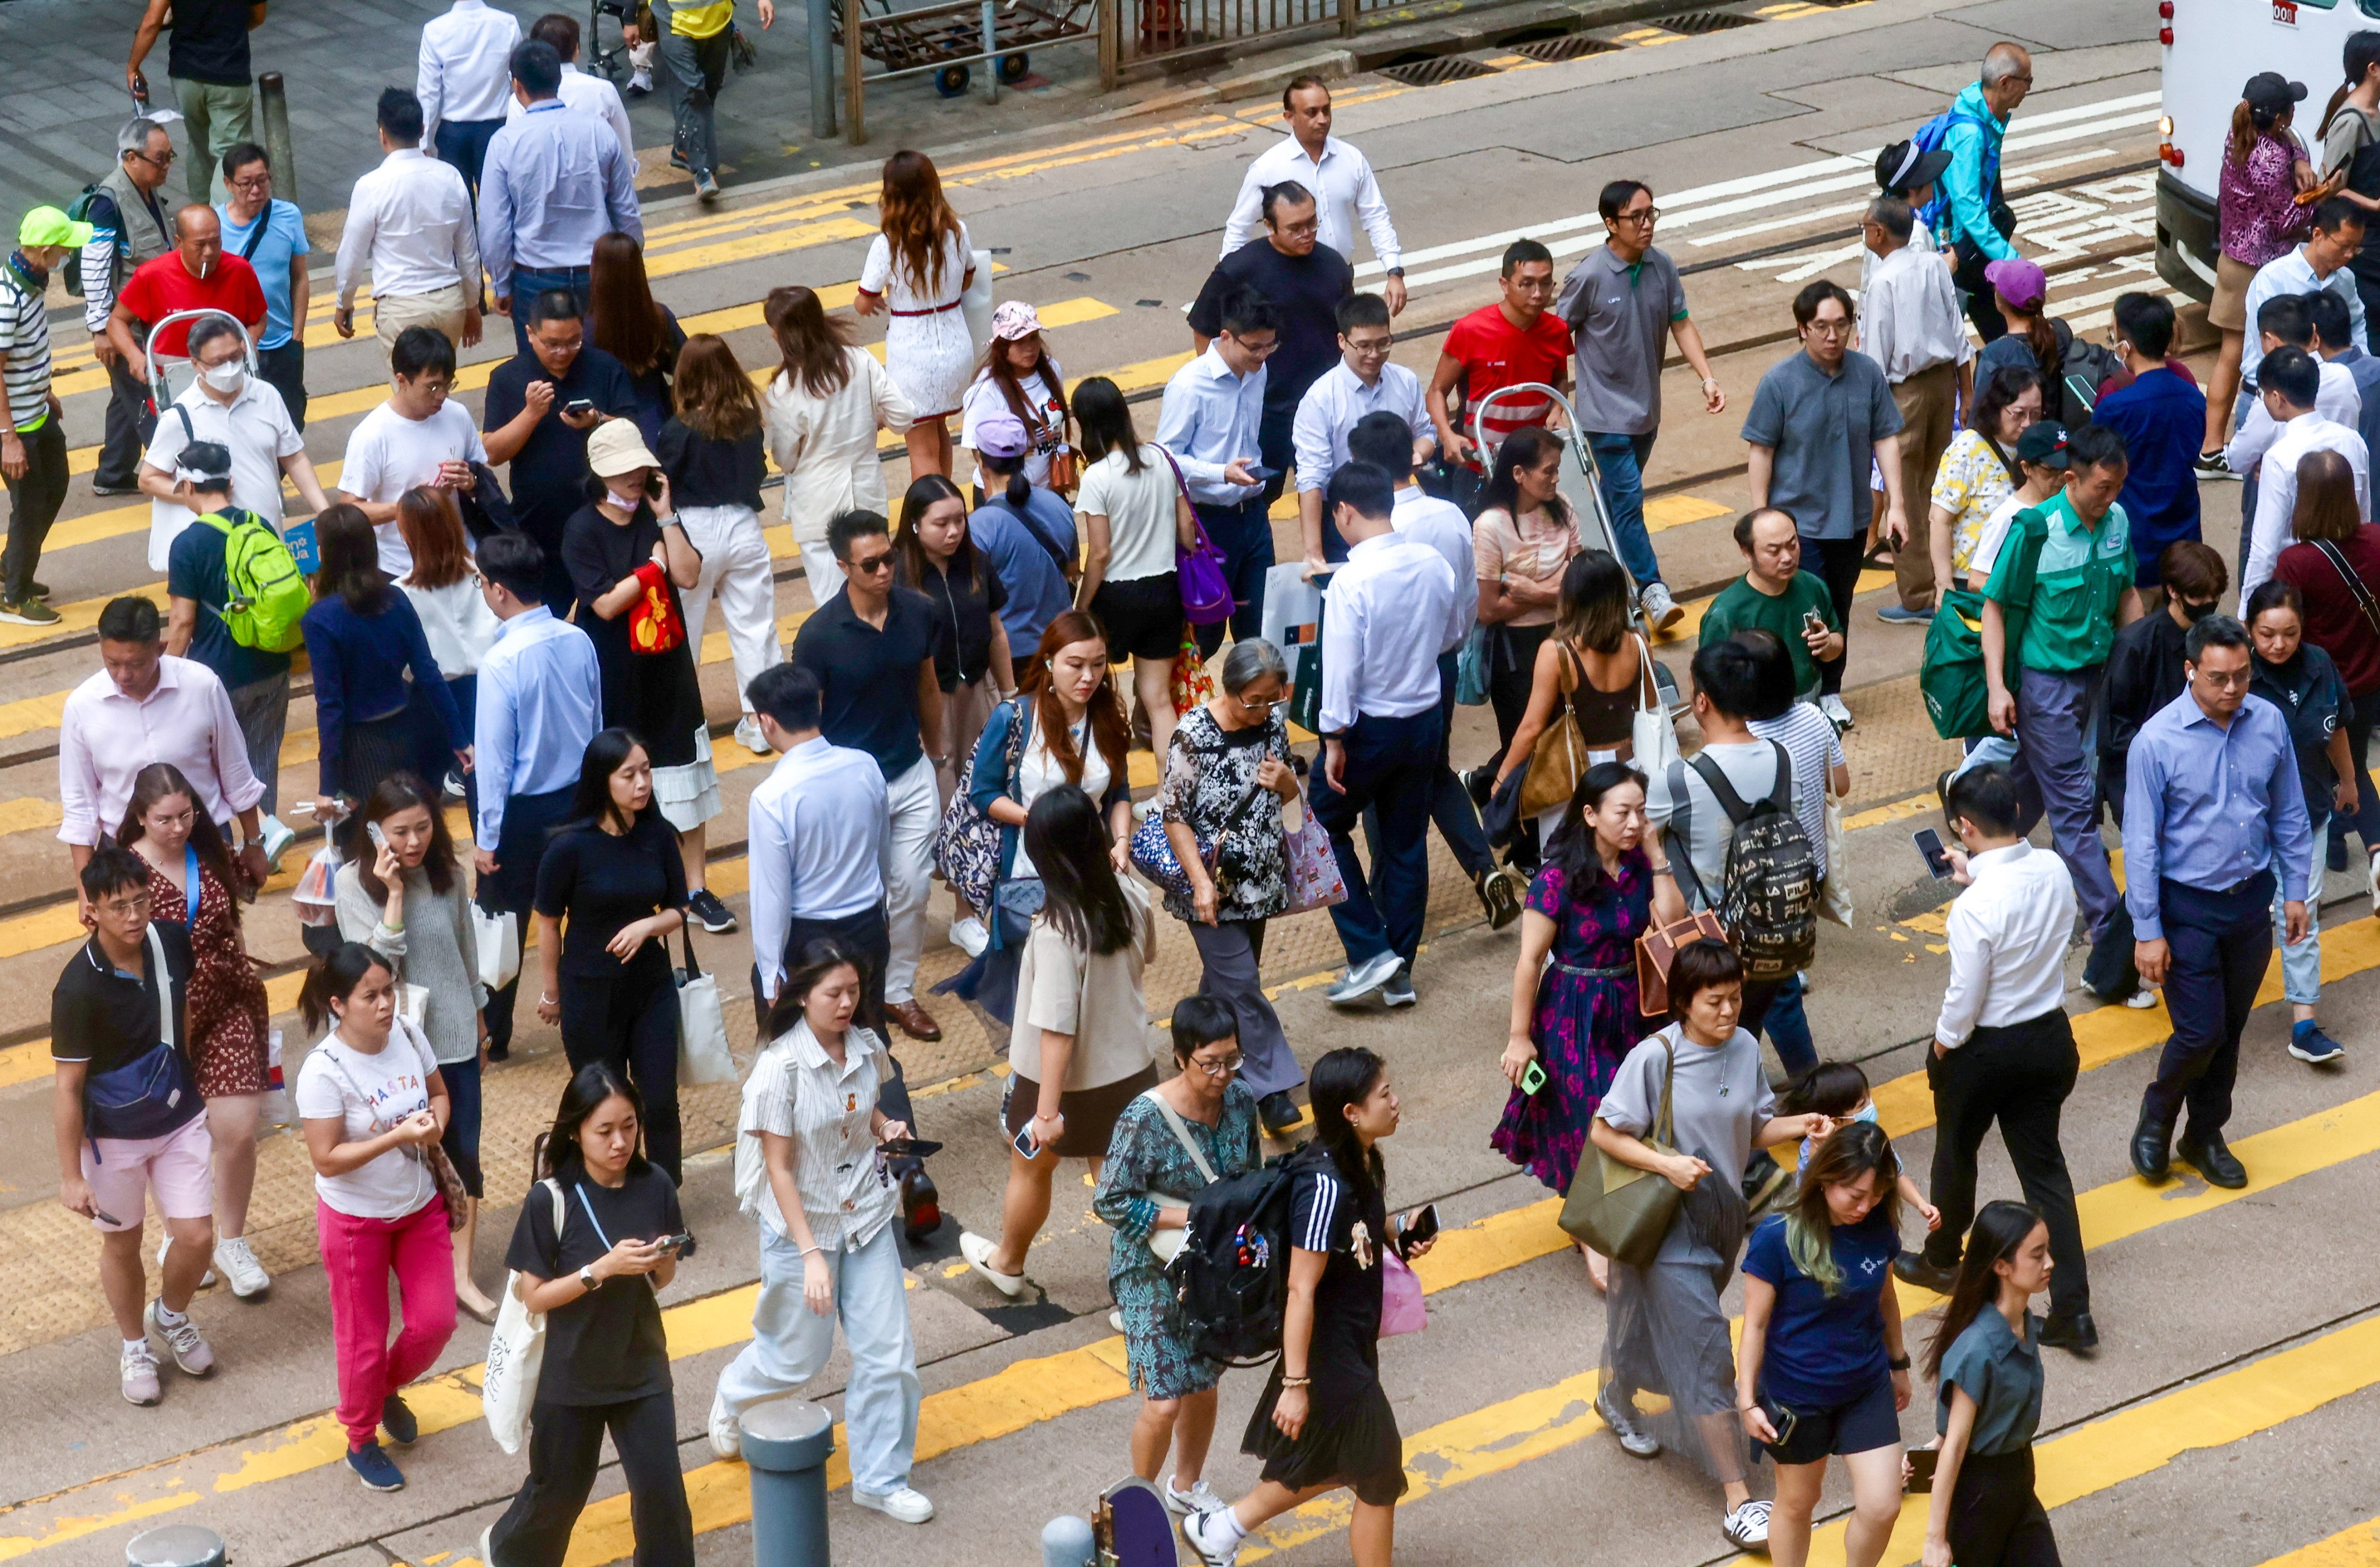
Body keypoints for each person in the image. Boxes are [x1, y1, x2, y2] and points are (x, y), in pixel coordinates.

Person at [1587, 937, 1831, 1552]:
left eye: (1735, 999)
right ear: (1684, 1004)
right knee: (1705, 1353)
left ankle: (1616, 1394)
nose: (1729, 1012)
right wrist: (1665, 1166)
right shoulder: (1655, 1058)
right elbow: (1604, 1132)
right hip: (1666, 1225)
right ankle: (1737, 1500)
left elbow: (1751, 1130)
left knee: (1666, 1327)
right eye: (1715, 1002)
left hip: (1722, 1218)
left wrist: (1801, 1124)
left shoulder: (1745, 1047)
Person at [1178, 1047, 1433, 1567]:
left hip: (1354, 1341)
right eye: (1384, 1094)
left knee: (1338, 1459)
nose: (1396, 1100)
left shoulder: (1362, 1157)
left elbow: (1364, 1223)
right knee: (1380, 1470)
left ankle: (1219, 1531)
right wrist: (1296, 1385)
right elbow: (1300, 1289)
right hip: (1327, 1353)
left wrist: (1399, 1233)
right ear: (1351, 1112)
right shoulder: (1321, 1187)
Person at [708, 941, 929, 1522]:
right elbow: (779, 1170)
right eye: (834, 993)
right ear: (802, 995)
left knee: (890, 1357)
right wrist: (810, 1256)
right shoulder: (778, 1071)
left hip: (869, 1218)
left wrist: (887, 1126)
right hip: (801, 1231)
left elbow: (865, 1112)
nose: (847, 1004)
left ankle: (880, 1479)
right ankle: (733, 1397)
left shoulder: (865, 1045)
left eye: (854, 991)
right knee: (794, 1361)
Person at [1890, 765, 2095, 1353]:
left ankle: (1941, 1258)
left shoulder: (1974, 910)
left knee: (1955, 1152)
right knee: (2045, 1172)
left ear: (1963, 826)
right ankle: (2073, 1310)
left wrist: (1941, 1044)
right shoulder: (2053, 868)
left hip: (1984, 1050)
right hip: (2049, 1040)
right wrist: (1972, 873)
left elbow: (1966, 997)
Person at [742, 664, 936, 1239]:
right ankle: (909, 1166)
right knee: (872, 1047)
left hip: (808, 940)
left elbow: (770, 895)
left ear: (766, 722)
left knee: (802, 1060)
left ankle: (823, 1176)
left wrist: (772, 971)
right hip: (865, 928)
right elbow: (880, 852)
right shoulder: (864, 767)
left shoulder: (772, 795)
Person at [2127, 613, 2311, 1191]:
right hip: (2187, 910)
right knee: (2200, 1030)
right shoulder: (2157, 742)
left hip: (2250, 905)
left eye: (2241, 675)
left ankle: (2204, 1134)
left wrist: (2297, 891)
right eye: (2217, 678)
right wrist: (2147, 930)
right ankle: (2157, 1119)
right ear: (2190, 672)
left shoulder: (2269, 723)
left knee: (2229, 1031)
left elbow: (2288, 812)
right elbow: (2140, 844)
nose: (2232, 689)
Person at [485, 1065, 693, 1562]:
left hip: (640, 1366)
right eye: (604, 1130)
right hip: (570, 1377)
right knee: (558, 1494)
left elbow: (661, 1282)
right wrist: (601, 1269)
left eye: (629, 1126)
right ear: (576, 1132)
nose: (620, 1141)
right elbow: (533, 1296)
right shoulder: (550, 1199)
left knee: (663, 1496)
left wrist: (662, 1261)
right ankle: (506, 1551)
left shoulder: (655, 1183)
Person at [959, 785, 1161, 1297]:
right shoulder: (1129, 895)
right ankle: (1144, 1289)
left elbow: (1056, 1028)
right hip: (1130, 1067)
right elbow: (1150, 955)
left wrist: (1046, 1112)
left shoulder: (1055, 930)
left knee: (1031, 1166)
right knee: (1121, 1187)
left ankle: (1008, 1261)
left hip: (1061, 1082)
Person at [1491, 761, 1677, 1290]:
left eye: (1641, 812)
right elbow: (1529, 961)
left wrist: (1658, 853)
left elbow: (1671, 920)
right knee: (1588, 1117)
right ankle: (1592, 1229)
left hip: (1634, 1003)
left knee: (1634, 1112)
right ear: (1591, 814)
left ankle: (1616, 1208)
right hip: (1574, 1009)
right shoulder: (1556, 878)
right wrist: (1519, 1035)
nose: (1634, 822)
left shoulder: (1640, 863)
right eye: (1623, 812)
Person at [52, 845, 213, 1407]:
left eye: (140, 900)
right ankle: (134, 1344)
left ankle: (170, 1315)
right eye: (118, 905)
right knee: (124, 1245)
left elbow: (182, 1007)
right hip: (112, 1135)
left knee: (197, 1236)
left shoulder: (171, 940)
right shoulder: (77, 989)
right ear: (91, 908)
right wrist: (72, 1175)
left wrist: (188, 1075)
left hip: (179, 1117)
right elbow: (68, 1088)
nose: (133, 915)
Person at [294, 941, 457, 1492]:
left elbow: (439, 1093)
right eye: (371, 996)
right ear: (339, 1004)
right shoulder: (324, 1071)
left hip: (417, 1207)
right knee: (363, 1339)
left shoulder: (410, 1034)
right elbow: (326, 1158)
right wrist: (396, 1136)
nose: (386, 1004)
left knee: (436, 1322)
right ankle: (361, 1437)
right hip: (354, 1221)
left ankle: (378, 1388)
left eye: (389, 990)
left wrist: (434, 1122)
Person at [1092, 994, 1264, 1516]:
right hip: (1148, 1265)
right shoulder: (1143, 1118)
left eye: (1231, 1059)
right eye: (1209, 1062)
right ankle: (1135, 1506)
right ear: (1180, 1056)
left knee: (1204, 1382)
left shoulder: (1241, 1102)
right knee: (1164, 1399)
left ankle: (1185, 1484)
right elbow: (1110, 1199)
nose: (1222, 1073)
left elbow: (1251, 1179)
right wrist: (1188, 1217)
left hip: (1209, 1265)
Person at [332, 773, 495, 1321]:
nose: (413, 842)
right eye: (400, 831)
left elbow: (467, 954)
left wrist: (480, 1022)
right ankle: (414, 1264)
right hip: (394, 1040)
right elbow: (374, 969)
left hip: (453, 1034)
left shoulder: (449, 873)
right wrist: (396, 895)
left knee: (463, 1150)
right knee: (404, 1152)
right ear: (375, 830)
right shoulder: (353, 884)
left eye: (423, 827)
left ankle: (460, 1276)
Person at [565, 418, 731, 935]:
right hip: (617, 672)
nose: (635, 476)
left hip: (668, 667)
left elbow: (687, 573)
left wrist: (666, 517)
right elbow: (607, 604)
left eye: (640, 466)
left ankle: (696, 887)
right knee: (627, 780)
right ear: (598, 474)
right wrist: (648, 571)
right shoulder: (582, 530)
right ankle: (639, 887)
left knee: (686, 773)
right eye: (623, 471)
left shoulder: (657, 521)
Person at [1980, 420, 2139, 953]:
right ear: (2071, 478)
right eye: (2102, 488)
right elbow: (1995, 609)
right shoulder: (2033, 529)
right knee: (2074, 808)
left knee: (2030, 787)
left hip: (2100, 679)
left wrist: (2137, 661)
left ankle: (1978, 856)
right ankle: (2110, 933)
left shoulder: (2116, 521)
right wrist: (1998, 687)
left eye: (2118, 487)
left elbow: (2126, 594)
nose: (2111, 498)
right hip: (2046, 686)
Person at [790, 510, 946, 1041]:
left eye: (890, 558)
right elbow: (809, 718)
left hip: (911, 769)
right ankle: (854, 996)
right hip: (852, 790)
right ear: (843, 566)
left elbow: (927, 684)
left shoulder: (918, 612)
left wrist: (939, 753)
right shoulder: (817, 636)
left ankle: (897, 992)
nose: (884, 570)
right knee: (858, 900)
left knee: (911, 887)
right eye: (871, 564)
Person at [1314, 463, 1464, 1006]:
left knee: (1318, 827)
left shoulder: (1351, 581)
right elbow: (1453, 633)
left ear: (1344, 512)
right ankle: (1398, 967)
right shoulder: (1433, 563)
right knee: (1405, 844)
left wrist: (1332, 739)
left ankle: (1371, 952)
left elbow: (1341, 672)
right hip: (1423, 719)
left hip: (1367, 730)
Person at [1353, 411, 1509, 919]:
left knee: (1386, 788)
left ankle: (1387, 898)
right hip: (1440, 664)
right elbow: (1466, 604)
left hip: (1387, 678)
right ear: (1412, 455)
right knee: (1434, 769)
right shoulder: (1449, 514)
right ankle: (1485, 868)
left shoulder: (1373, 528)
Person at [944, 610, 1135, 1024]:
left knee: (1086, 980)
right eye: (1076, 664)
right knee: (1034, 990)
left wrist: (1120, 841)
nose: (1088, 676)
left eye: (1098, 664)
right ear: (1049, 661)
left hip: (1093, 873)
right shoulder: (1014, 717)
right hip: (1028, 872)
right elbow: (983, 791)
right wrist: (1038, 819)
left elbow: (1119, 791)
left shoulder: (1107, 717)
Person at [1737, 1123, 1914, 1567]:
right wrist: (1746, 1401)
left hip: (1865, 1384)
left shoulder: (1877, 1224)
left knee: (1882, 1505)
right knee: (1798, 1502)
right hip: (1798, 1396)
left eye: (1875, 1195)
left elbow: (1886, 1298)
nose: (1865, 1205)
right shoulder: (1776, 1236)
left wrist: (1899, 1364)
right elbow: (1754, 1325)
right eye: (1855, 1194)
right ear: (1824, 1177)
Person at [1555, 179, 1726, 631]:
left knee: (1612, 506)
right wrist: (1560, 397)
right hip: (1603, 417)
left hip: (1645, 413)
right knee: (1628, 503)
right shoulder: (1589, 276)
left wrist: (1706, 377)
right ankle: (1652, 590)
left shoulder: (1661, 266)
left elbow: (1681, 324)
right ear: (1611, 224)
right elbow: (1555, 337)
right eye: (1636, 217)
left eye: (1651, 214)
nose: (1647, 224)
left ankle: (1600, 583)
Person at [1744, 279, 1907, 732]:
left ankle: (1829, 689)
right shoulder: (1779, 382)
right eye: (1820, 326)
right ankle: (1800, 695)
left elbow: (1885, 437)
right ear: (1802, 329)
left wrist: (1894, 504)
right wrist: (1762, 517)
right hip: (1799, 524)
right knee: (1804, 610)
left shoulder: (1867, 373)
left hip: (1852, 519)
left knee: (1838, 606)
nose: (1832, 335)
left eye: (1841, 324)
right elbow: (1761, 450)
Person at [1643, 637, 1816, 1062]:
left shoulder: (1679, 778)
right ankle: (1818, 1099)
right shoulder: (1782, 757)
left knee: (1717, 1047)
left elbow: (1643, 830)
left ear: (1701, 700)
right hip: (1777, 926)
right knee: (1765, 1013)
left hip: (1714, 941)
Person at [1162, 639, 1308, 1134]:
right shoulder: (1192, 734)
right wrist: (1200, 883)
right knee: (1243, 985)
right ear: (1230, 689)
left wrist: (1287, 781)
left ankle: (1189, 1047)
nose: (1264, 709)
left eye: (1273, 699)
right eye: (1254, 700)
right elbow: (1173, 816)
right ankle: (1270, 1090)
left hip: (1260, 883)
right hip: (1211, 890)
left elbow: (1288, 796)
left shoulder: (1269, 724)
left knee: (1226, 985)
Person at [534, 728, 690, 1184]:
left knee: (659, 1100)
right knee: (604, 1108)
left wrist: (649, 925)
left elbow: (681, 907)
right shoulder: (568, 847)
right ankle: (599, 1195)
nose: (643, 783)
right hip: (589, 994)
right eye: (630, 775)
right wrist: (551, 992)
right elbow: (547, 922)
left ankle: (663, 1205)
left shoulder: (658, 834)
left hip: (651, 988)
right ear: (604, 780)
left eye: (646, 771)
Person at [473, 530, 603, 1060]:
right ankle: (587, 1014)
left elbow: (496, 762)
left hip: (523, 815)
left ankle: (495, 1036)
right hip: (581, 799)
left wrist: (487, 838)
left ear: (499, 590)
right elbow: (597, 723)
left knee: (500, 926)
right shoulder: (578, 639)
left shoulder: (501, 662)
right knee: (580, 915)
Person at [59, 596, 269, 901]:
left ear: (159, 647)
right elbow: (79, 804)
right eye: (113, 664)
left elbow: (235, 771)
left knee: (214, 939)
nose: (123, 676)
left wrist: (253, 843)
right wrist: (85, 889)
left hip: (202, 843)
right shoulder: (82, 707)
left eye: (136, 664)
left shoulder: (202, 686)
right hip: (124, 855)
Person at [156, 440, 301, 863]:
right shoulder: (259, 525)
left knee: (209, 767)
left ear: (186, 487)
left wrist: (169, 674)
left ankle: (217, 849)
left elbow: (182, 621)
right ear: (230, 481)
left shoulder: (188, 544)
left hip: (216, 678)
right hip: (271, 664)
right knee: (260, 758)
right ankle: (265, 839)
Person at [302, 504, 471, 830]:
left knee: (370, 845)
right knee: (413, 832)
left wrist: (327, 785)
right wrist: (459, 739)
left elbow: (331, 705)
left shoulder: (320, 619)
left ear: (323, 553)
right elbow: (429, 674)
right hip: (408, 733)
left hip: (359, 748)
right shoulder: (395, 599)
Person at [1190, 180, 1356, 507]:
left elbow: (1348, 328)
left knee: (1332, 496)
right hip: (1265, 412)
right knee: (1258, 494)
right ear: (1269, 226)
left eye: (1312, 223)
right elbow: (1203, 328)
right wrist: (1222, 388)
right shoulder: (1240, 269)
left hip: (1324, 407)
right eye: (1295, 228)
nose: (1307, 233)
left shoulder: (1333, 265)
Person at [2245, 579, 2356, 1065]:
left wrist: (2349, 780)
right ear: (2249, 630)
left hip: (2306, 815)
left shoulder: (2319, 666)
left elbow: (2335, 728)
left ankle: (2304, 1022)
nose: (2278, 644)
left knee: (2299, 914)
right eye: (2267, 633)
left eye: (2289, 633)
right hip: (2243, 823)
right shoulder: (2235, 674)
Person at [1918, 1202, 2063, 1567]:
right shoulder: (1978, 1349)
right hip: (1980, 1497)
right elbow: (1956, 1444)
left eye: (2047, 1250)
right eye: (2036, 1255)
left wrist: (1923, 1457)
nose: (2050, 1263)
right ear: (2001, 1266)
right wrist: (1934, 1539)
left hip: (2018, 1481)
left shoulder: (2024, 1321)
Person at [659, 332, 780, 758]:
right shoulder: (746, 421)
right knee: (755, 626)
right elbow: (759, 471)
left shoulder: (678, 430)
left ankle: (685, 721)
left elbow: (664, 480)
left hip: (693, 530)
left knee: (685, 628)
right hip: (744, 525)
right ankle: (761, 721)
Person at [483, 288, 642, 609]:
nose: (563, 352)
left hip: (604, 520)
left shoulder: (604, 367)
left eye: (573, 341)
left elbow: (633, 431)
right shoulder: (507, 378)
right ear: (530, 334)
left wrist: (597, 419)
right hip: (540, 524)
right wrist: (530, 414)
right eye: (552, 344)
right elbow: (492, 452)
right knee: (546, 614)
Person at [481, 38, 642, 350]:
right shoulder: (599, 130)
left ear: (517, 85)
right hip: (600, 273)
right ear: (558, 78)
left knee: (543, 375)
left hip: (535, 279)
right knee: (606, 367)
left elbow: (494, 226)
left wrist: (501, 284)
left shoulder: (504, 142)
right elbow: (627, 210)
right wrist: (631, 268)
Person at [1491, 550, 1648, 866]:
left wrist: (1503, 777)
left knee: (1571, 868)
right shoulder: (1638, 643)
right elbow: (1650, 710)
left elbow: (1532, 727)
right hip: (1628, 766)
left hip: (1574, 776)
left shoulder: (1557, 652)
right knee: (1625, 861)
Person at [1859, 193, 1974, 621]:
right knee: (1934, 485)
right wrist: (1967, 393)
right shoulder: (1932, 264)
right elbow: (1958, 332)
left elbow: (1873, 360)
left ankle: (1919, 596)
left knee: (1902, 494)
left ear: (1879, 232)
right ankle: (1943, 579)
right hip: (1944, 384)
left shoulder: (1881, 283)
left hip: (1902, 395)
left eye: (1865, 226)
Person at [139, 313, 326, 572]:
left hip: (269, 540)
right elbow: (148, 479)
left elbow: (294, 457)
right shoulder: (181, 417)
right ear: (196, 365)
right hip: (219, 552)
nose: (229, 367)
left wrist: (324, 511)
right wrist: (200, 496)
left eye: (235, 357)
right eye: (218, 362)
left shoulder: (266, 395)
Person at [764, 284, 915, 602]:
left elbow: (785, 459)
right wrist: (874, 421)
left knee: (832, 605)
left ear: (782, 335)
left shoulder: (783, 389)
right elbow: (903, 416)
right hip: (867, 498)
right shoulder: (860, 361)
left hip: (818, 508)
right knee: (879, 596)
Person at [2274, 444, 2380, 897]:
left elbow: (2287, 628)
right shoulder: (2376, 539)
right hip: (2371, 679)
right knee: (2351, 766)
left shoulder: (2296, 562)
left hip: (2321, 688)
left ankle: (2336, 850)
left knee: (2327, 773)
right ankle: (2366, 852)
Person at [1073, 374, 1192, 761]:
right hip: (1164, 590)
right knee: (1158, 701)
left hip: (1116, 596)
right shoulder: (1159, 458)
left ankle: (1107, 790)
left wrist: (1080, 606)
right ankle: (1166, 797)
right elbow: (1186, 528)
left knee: (1093, 693)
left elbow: (1100, 553)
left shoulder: (1097, 476)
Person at [2206, 73, 2318, 474]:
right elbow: (2287, 219)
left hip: (2232, 259)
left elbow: (2285, 142)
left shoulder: (2239, 135)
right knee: (2242, 360)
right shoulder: (2268, 158)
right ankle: (2224, 449)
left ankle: (2209, 448)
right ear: (2281, 118)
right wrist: (2318, 194)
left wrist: (2300, 157)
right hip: (2256, 268)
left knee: (2228, 355)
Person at [1157, 289, 1277, 655]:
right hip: (1208, 527)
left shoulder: (1258, 372)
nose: (1263, 355)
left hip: (1254, 517)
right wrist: (1220, 472)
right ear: (1225, 336)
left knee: (1259, 631)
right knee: (1203, 639)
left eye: (1270, 346)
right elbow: (1167, 459)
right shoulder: (1189, 386)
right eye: (1254, 347)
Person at [1220, 76, 1405, 311]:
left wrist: (1394, 271)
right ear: (1289, 117)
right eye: (1312, 112)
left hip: (1340, 280)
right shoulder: (1267, 169)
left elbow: (1376, 216)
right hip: (1287, 285)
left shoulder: (1352, 159)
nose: (1323, 119)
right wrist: (1227, 288)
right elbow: (1239, 229)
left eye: (1327, 110)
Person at [893, 473, 1015, 816]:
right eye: (941, 523)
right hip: (929, 694)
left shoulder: (976, 563)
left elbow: (996, 631)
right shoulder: (898, 576)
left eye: (960, 520)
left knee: (986, 770)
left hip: (977, 687)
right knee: (940, 776)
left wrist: (1009, 694)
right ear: (915, 525)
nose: (954, 531)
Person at [854, 150, 975, 478]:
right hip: (956, 348)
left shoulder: (888, 244)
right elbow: (968, 277)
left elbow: (864, 303)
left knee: (921, 448)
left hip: (912, 356)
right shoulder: (957, 231)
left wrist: (876, 299)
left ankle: (931, 522)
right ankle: (949, 512)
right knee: (940, 434)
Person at [335, 325, 491, 578]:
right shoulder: (372, 435)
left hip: (461, 559)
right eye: (432, 387)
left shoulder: (458, 415)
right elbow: (351, 510)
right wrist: (412, 506)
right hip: (402, 569)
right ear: (402, 380)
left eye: (448, 385)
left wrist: (471, 482)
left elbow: (482, 477)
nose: (442, 396)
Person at [2096, 539, 2229, 834]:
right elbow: (2114, 732)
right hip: (2147, 782)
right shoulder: (2136, 646)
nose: (2209, 603)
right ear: (2173, 591)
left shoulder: (2217, 638)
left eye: (2215, 596)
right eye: (2199, 596)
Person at [335, 89, 484, 353]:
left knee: (408, 391)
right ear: (422, 129)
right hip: (449, 303)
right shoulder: (450, 177)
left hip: (401, 310)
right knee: (439, 387)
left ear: (382, 134)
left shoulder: (371, 186)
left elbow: (352, 254)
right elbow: (468, 252)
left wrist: (344, 302)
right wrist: (472, 304)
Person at [1293, 292, 1433, 571]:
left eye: (1383, 344)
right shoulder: (1320, 399)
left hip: (1399, 510)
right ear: (1342, 341)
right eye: (1364, 346)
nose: (1374, 355)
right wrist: (1314, 553)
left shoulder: (1405, 381)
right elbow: (1311, 477)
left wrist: (1415, 454)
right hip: (1348, 521)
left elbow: (1426, 432)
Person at [1472, 424, 1581, 766]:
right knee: (1529, 748)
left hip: (1566, 635)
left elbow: (1582, 583)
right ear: (1519, 473)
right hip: (1517, 651)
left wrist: (1531, 592)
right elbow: (1489, 609)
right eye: (1549, 471)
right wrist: (1558, 589)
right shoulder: (1491, 525)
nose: (1556, 479)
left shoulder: (1562, 505)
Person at [83, 119, 181, 496]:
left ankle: (112, 473)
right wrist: (99, 330)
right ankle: (174, 475)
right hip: (126, 329)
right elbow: (94, 270)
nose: (167, 165)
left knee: (125, 400)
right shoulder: (107, 204)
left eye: (169, 156)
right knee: (148, 400)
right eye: (160, 159)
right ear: (130, 157)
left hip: (152, 322)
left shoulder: (147, 189)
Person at [394, 486, 501, 812]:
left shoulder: (400, 593)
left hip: (429, 705)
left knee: (421, 801)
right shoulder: (486, 573)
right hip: (489, 692)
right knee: (487, 799)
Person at [0, 207, 83, 626]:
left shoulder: (31, 283)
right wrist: (7, 438)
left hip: (36, 410)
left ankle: (10, 568)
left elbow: (23, 352)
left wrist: (45, 388)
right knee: (29, 504)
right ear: (47, 249)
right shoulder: (8, 298)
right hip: (14, 426)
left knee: (57, 485)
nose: (69, 253)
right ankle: (13, 598)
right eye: (65, 247)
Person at [2093, 294, 2208, 596]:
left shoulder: (2115, 407)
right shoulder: (2193, 398)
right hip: (2185, 539)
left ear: (2126, 346)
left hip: (2134, 544)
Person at [1428, 238, 1572, 476]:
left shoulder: (1557, 330)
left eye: (1546, 284)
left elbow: (1560, 379)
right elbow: (1436, 391)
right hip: (1480, 463)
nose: (1538, 294)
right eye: (1527, 284)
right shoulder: (1470, 330)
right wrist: (1447, 435)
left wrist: (1556, 411)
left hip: (1534, 464)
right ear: (1504, 285)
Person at [2239, 345, 2371, 601]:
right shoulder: (2352, 440)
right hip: (2349, 569)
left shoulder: (2279, 457)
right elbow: (2363, 514)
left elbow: (2265, 548)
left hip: (2302, 575)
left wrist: (2248, 607)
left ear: (2277, 398)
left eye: (2262, 393)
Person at [1935, 44, 2035, 343]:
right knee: (1954, 341)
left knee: (2001, 332)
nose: (2029, 89)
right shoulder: (1970, 134)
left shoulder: (1987, 114)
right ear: (2006, 83)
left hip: (1972, 247)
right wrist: (2009, 259)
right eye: (2027, 82)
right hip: (1961, 250)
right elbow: (1966, 206)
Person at [1700, 508, 1845, 705]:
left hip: (1810, 701)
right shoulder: (1726, 613)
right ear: (1747, 552)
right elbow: (1708, 684)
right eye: (1773, 551)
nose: (1787, 557)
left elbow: (1836, 640)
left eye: (1793, 544)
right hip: (1755, 714)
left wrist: (1828, 644)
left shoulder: (1812, 586)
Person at [1927, 367, 2043, 603]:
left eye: (2036, 414)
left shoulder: (2040, 448)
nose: (2028, 424)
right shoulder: (1967, 449)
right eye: (2018, 414)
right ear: (1996, 409)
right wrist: (1944, 583)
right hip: (1973, 584)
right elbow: (1939, 519)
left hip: (2024, 578)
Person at [109, 204, 267, 375]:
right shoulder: (152, 275)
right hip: (173, 380)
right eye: (200, 245)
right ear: (179, 242)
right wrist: (133, 355)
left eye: (215, 242)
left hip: (230, 374)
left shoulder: (240, 270)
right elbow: (116, 321)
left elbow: (259, 317)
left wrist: (251, 338)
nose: (209, 252)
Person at [213, 144, 309, 426]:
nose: (256, 190)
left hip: (282, 343)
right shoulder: (213, 225)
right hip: (233, 347)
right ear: (228, 184)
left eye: (262, 181)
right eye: (246, 184)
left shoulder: (289, 215)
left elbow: (300, 276)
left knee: (290, 422)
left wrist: (298, 336)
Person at [127, 0, 258, 205]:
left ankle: (200, 216)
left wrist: (133, 66)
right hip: (231, 75)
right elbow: (258, 17)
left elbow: (152, 23)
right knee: (230, 154)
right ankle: (220, 222)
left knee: (199, 147)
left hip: (186, 75)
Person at [969, 413, 1079, 654]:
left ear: (982, 462)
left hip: (1011, 653)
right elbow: (1072, 571)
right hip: (1060, 643)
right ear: (1025, 456)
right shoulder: (1058, 505)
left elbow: (974, 600)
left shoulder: (979, 527)